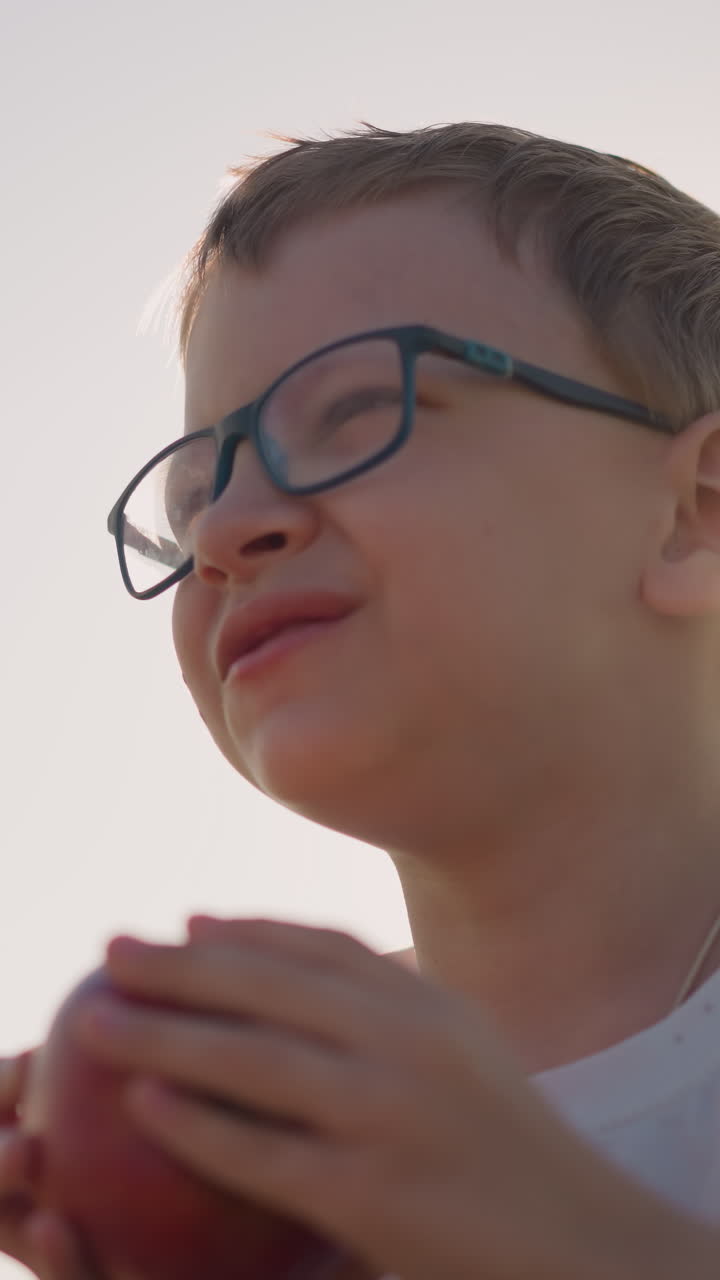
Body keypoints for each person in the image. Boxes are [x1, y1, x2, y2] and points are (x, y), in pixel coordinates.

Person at [3, 120, 720, 1279]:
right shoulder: (263, 1127)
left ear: (697, 510)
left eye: (351, 413)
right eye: (196, 495)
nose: (230, 529)